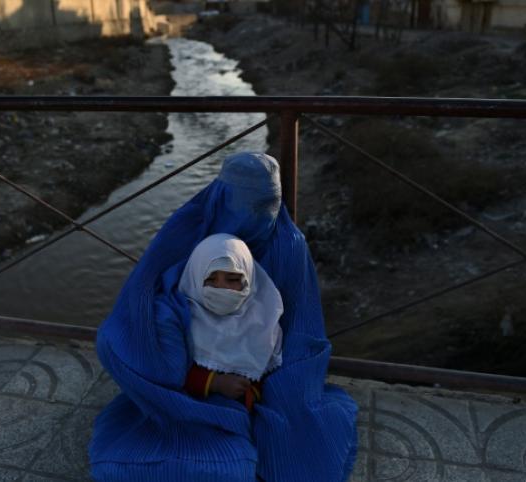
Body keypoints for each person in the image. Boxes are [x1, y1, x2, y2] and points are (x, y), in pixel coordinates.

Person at [91, 152, 357, 482]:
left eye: (264, 205)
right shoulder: (191, 227)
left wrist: (266, 381)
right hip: (189, 354)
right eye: (243, 203)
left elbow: (302, 327)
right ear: (221, 195)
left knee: (295, 442)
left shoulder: (288, 246)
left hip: (264, 366)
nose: (254, 217)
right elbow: (147, 290)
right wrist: (200, 375)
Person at [179, 233, 284, 413]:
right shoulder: (182, 317)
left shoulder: (264, 320)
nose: (221, 288)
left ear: (248, 279)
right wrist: (214, 382)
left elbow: (265, 372)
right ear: (195, 279)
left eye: (233, 279)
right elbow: (169, 367)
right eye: (210, 279)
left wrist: (251, 392)